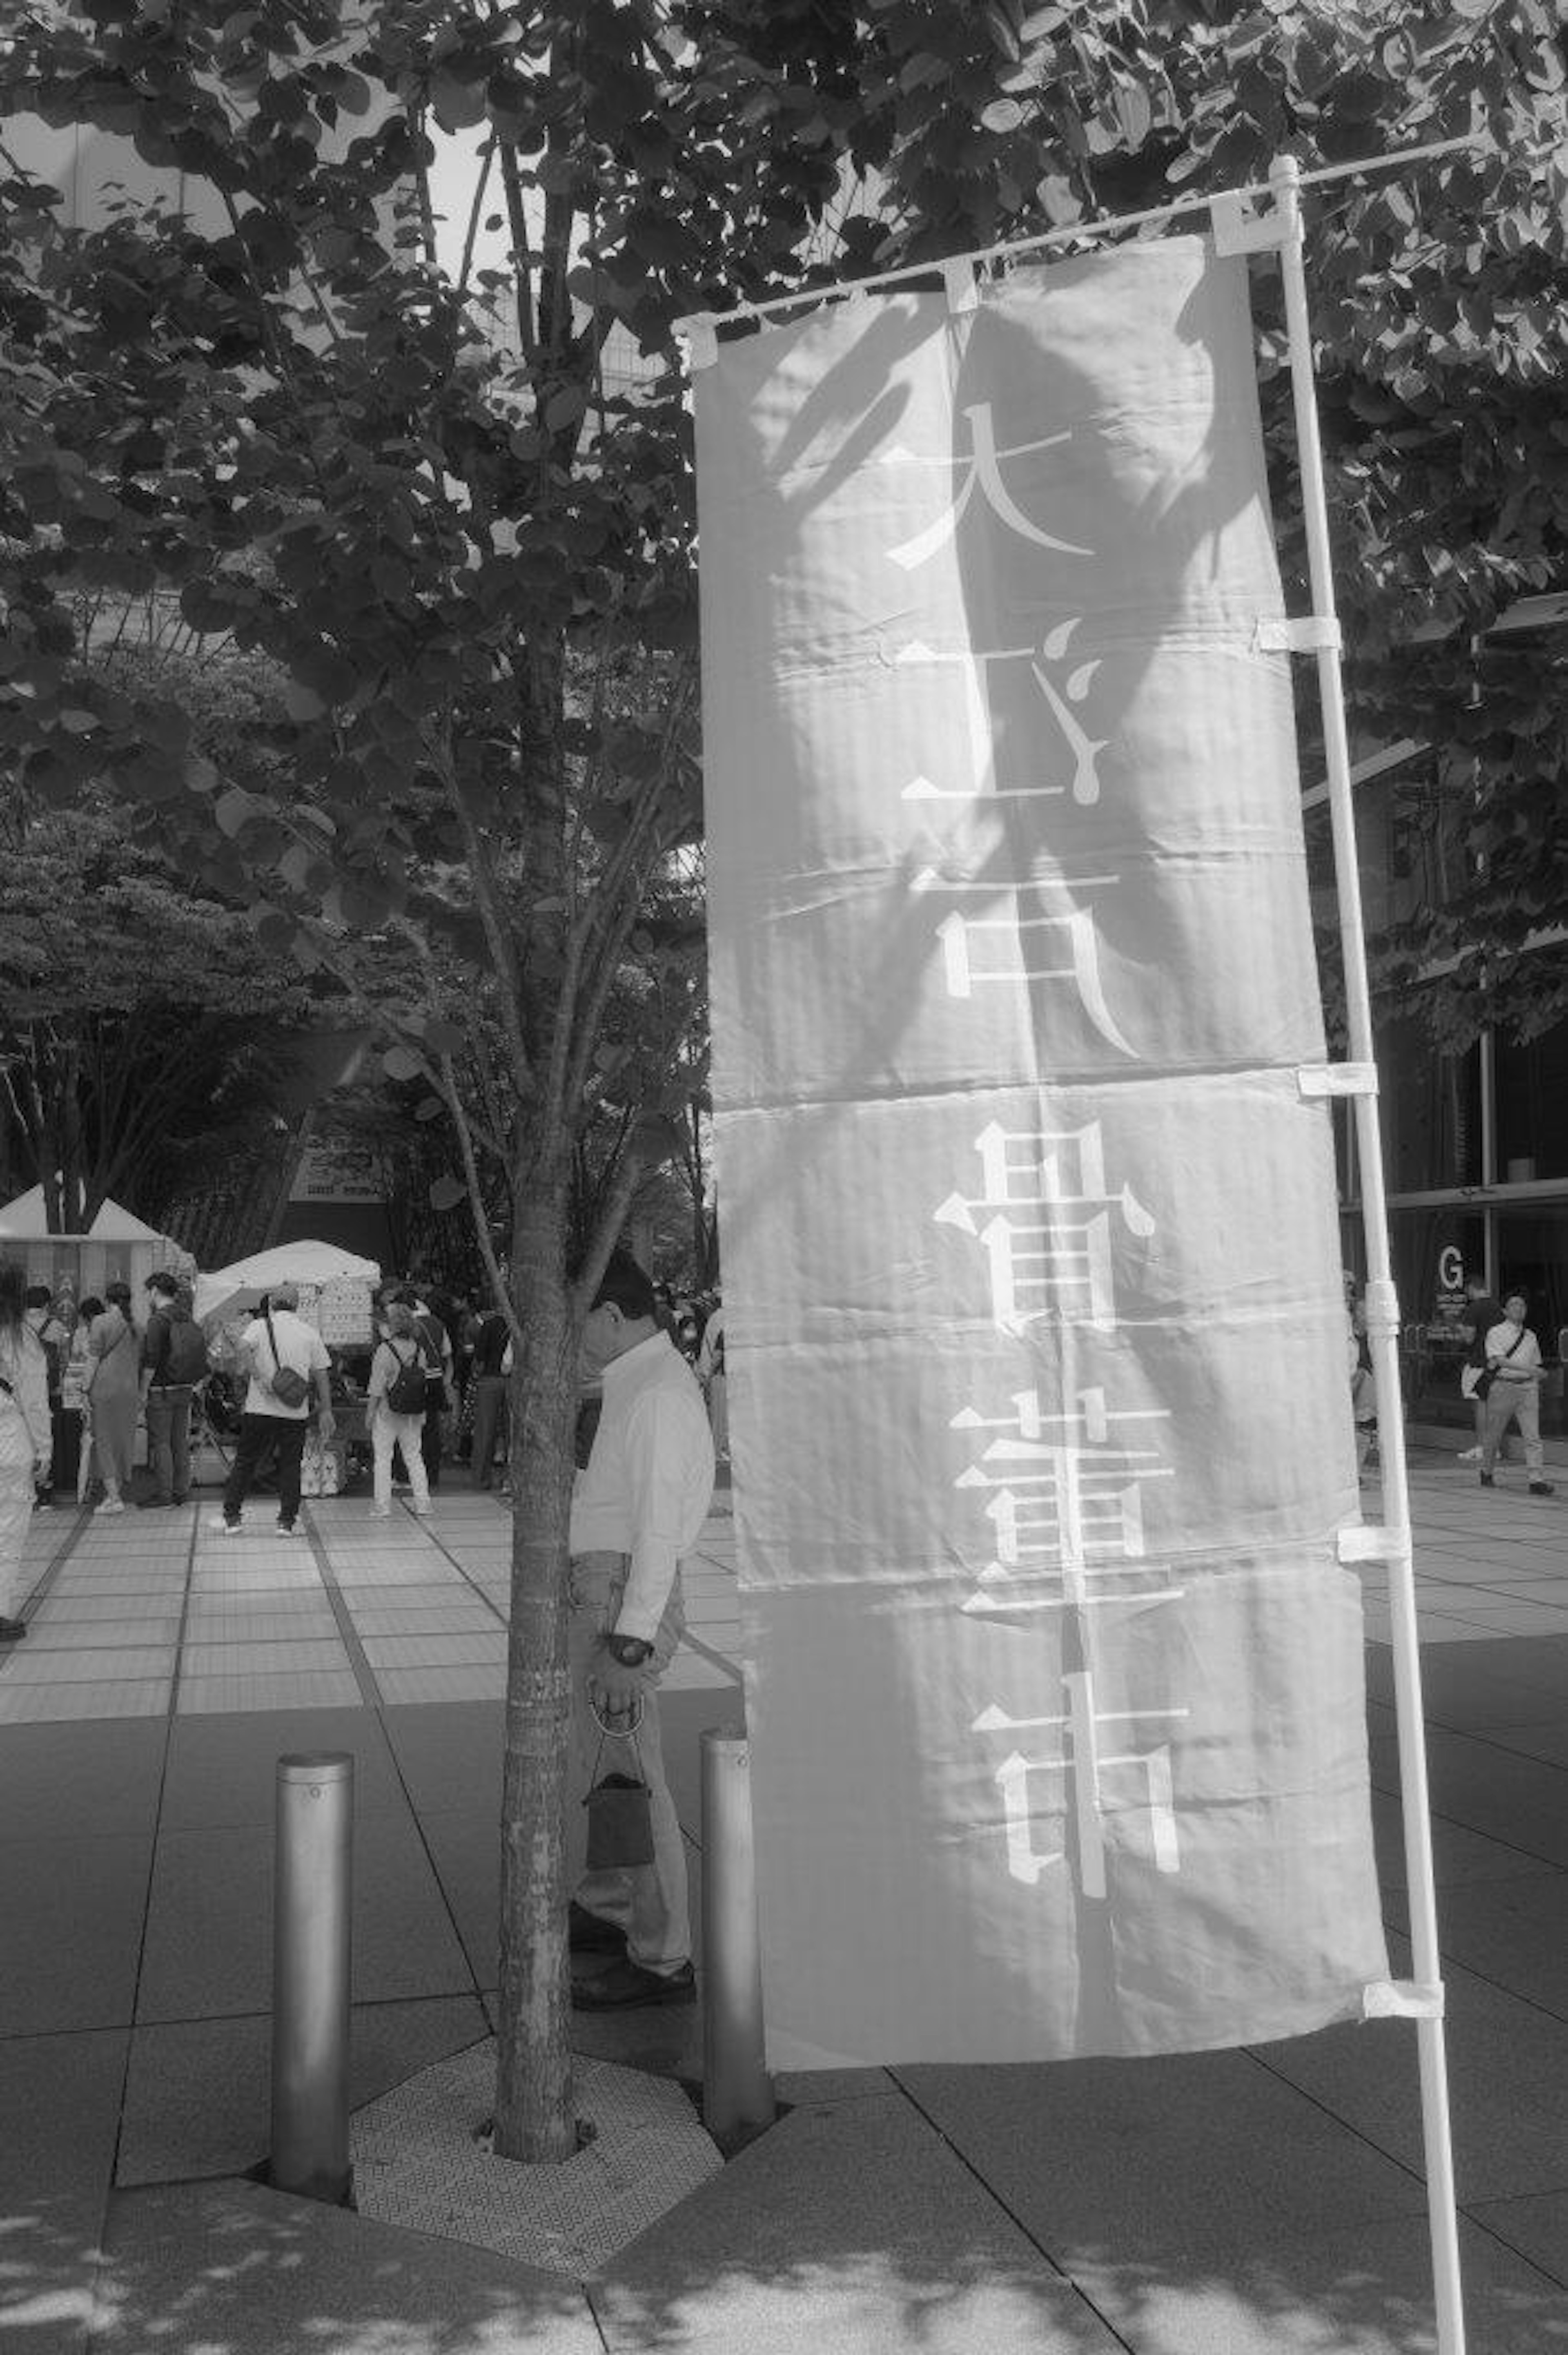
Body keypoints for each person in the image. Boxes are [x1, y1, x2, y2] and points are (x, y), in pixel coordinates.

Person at [568, 1247, 715, 2011]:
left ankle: (662, 1958)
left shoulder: (655, 1394)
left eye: (578, 1319)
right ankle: (608, 1906)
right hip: (612, 1588)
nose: (573, 1335)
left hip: (623, 1595)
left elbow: (658, 1533)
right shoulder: (640, 1382)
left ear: (611, 1316)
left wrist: (631, 1642)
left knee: (632, 1777)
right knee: (608, 1770)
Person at [209, 1284, 334, 1536]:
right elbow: (322, 1375)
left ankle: (232, 1518)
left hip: (259, 1410)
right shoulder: (310, 1333)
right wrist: (326, 1410)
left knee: (245, 1462)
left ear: (272, 1304)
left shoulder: (259, 1326)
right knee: (290, 1465)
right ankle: (286, 1522)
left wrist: (259, 1377)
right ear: (297, 1306)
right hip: (295, 1413)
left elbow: (242, 1348)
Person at [0, 1260, 51, 1641]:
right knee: (8, 1530)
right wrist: (44, 1450)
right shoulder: (19, 1338)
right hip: (9, 1439)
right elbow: (33, 1401)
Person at [139, 1271, 207, 1509]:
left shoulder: (158, 1320)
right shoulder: (185, 1316)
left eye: (148, 1292)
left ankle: (164, 1495)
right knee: (180, 1440)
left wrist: (142, 1391)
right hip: (185, 1387)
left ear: (155, 1291)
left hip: (162, 1390)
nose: (147, 1296)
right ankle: (181, 1492)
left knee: (162, 1442)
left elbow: (151, 1359)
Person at [1478, 1291, 1555, 1497]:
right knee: (1494, 1434)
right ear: (1505, 1310)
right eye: (1514, 1305)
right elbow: (1500, 1360)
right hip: (1504, 1386)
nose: (1519, 1308)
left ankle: (1536, 1480)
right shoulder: (1496, 1333)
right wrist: (1531, 1371)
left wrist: (1535, 1378)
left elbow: (1537, 1363)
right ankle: (1487, 1471)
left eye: (1522, 1305)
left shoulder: (1531, 1336)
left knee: (1533, 1437)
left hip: (1528, 1389)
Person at [364, 1302, 433, 1518]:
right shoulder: (419, 1350)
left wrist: (369, 1413)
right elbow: (422, 1383)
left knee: (384, 1458)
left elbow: (377, 1386)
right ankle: (423, 1504)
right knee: (414, 1457)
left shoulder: (385, 1350)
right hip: (413, 1412)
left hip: (387, 1411)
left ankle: (382, 1507)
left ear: (392, 1326)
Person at [87, 1281, 140, 1514]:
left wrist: (84, 1388)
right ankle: (113, 1495)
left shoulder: (100, 1322)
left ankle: (114, 1498)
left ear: (108, 1300)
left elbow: (93, 1359)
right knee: (123, 1441)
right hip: (130, 1391)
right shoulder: (138, 1327)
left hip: (105, 1389)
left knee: (105, 1441)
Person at [23, 1285, 68, 1508]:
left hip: (22, 1393)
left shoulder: (16, 1326)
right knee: (47, 1436)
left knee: (25, 1437)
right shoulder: (57, 1326)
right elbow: (64, 1360)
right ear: (47, 1304)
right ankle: (46, 1491)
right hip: (50, 1390)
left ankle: (26, 1489)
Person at [1457, 1273, 1504, 1463]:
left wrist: (1460, 1330)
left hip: (1478, 1364)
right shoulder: (1498, 1309)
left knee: (1480, 1406)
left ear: (1471, 1288)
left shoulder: (1473, 1309)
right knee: (1494, 1409)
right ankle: (1495, 1449)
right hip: (1497, 1364)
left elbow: (1469, 1338)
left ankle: (1482, 1448)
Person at [61, 1297, 100, 1504]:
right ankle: (89, 1484)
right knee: (93, 1439)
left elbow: (76, 1358)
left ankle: (88, 1486)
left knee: (89, 1440)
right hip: (93, 1390)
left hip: (89, 1391)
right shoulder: (84, 1333)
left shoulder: (85, 1333)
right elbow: (76, 1358)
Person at [468, 1304, 511, 1489]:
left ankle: (481, 1479)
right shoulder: (524, 1325)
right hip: (515, 1381)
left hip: (490, 1379)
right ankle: (510, 1480)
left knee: (485, 1431)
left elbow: (479, 1355)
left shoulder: (491, 1325)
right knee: (513, 1433)